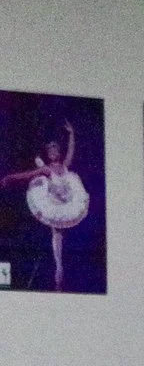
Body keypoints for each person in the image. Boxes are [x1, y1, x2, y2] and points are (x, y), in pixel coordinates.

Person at [1, 124, 87, 292]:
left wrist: (71, 133)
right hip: (53, 200)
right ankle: (59, 267)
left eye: (55, 148)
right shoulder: (46, 168)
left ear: (59, 152)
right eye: (50, 149)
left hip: (67, 200)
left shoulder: (65, 165)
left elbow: (71, 151)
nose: (53, 151)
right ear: (48, 154)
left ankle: (59, 267)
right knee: (57, 231)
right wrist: (10, 177)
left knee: (59, 232)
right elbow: (27, 174)